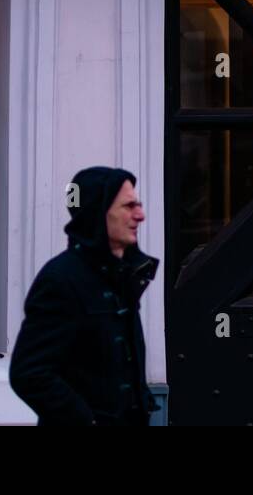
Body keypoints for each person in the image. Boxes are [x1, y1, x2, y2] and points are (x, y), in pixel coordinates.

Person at [10, 166, 158, 426]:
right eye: (128, 206)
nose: (140, 215)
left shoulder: (123, 275)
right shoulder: (61, 279)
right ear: (98, 213)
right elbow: (30, 373)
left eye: (139, 204)